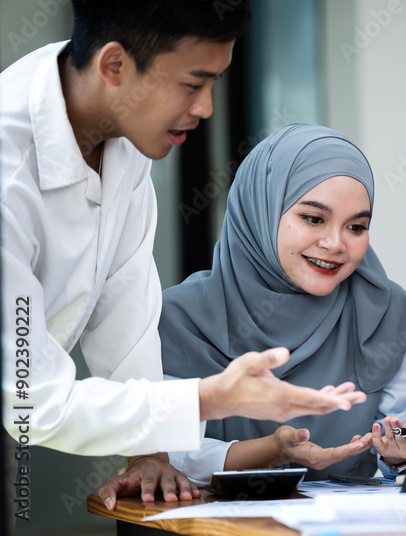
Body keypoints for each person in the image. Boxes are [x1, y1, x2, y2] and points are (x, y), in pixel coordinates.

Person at [1, 0, 364, 518]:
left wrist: (150, 454)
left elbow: (124, 323)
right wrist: (214, 398)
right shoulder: (8, 172)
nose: (207, 108)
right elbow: (27, 401)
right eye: (193, 84)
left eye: (215, 82)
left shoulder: (123, 143)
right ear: (115, 66)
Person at [152, 123, 406, 485]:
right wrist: (271, 449)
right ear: (260, 211)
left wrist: (400, 457)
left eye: (356, 227)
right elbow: (163, 452)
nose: (335, 243)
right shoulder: (178, 320)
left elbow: (403, 444)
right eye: (313, 218)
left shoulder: (386, 315)